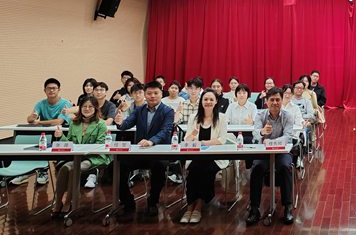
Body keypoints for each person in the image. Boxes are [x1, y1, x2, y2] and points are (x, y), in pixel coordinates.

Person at [113, 81, 175, 215]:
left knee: (159, 167)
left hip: (160, 152)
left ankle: (153, 201)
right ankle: (127, 200)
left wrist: (151, 141)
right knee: (115, 166)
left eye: (156, 93)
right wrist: (120, 123)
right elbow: (127, 124)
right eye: (149, 93)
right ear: (145, 95)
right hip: (140, 153)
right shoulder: (139, 110)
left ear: (161, 93)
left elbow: (165, 131)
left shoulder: (168, 111)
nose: (153, 96)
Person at [50, 96, 110, 217]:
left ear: (96, 108)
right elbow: (69, 143)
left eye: (90, 106)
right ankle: (58, 202)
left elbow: (100, 145)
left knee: (74, 169)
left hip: (95, 157)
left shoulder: (101, 124)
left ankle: (68, 202)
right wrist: (61, 136)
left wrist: (83, 150)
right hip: (77, 157)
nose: (87, 109)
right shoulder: (74, 123)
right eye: (84, 106)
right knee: (64, 168)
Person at [247, 87, 295, 225]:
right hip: (264, 152)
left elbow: (287, 136)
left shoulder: (288, 116)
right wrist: (262, 132)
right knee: (257, 168)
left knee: (284, 167)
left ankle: (287, 207)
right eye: (272, 100)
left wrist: (272, 142)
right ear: (267, 101)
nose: (275, 103)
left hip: (282, 151)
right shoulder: (260, 115)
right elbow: (255, 134)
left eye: (277, 100)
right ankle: (254, 209)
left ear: (282, 100)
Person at [180, 88, 227, 224]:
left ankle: (198, 206)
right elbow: (187, 140)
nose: (208, 102)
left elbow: (222, 140)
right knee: (193, 171)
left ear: (216, 101)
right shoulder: (193, 118)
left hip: (214, 157)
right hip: (196, 156)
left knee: (204, 171)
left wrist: (202, 142)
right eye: (205, 99)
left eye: (211, 99)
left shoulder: (222, 117)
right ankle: (189, 207)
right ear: (201, 102)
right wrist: (193, 134)